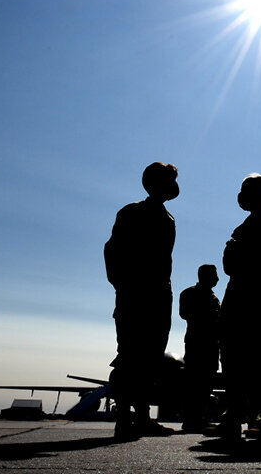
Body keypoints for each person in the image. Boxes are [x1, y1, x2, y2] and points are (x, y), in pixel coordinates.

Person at [104, 162, 179, 440]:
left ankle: (143, 417)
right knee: (129, 354)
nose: (172, 186)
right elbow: (112, 250)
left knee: (150, 356)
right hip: (135, 294)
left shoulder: (168, 218)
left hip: (160, 294)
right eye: (168, 180)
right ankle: (124, 416)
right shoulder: (132, 212)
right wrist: (123, 285)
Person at [214, 174, 261, 442]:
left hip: (258, 296)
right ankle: (235, 412)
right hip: (237, 296)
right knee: (233, 357)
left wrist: (242, 253)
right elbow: (228, 266)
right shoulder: (242, 228)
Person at [179, 264, 221, 432]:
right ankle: (191, 419)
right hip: (197, 342)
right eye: (214, 275)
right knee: (194, 381)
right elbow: (185, 313)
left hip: (212, 344)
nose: (217, 279)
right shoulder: (190, 293)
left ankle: (201, 417)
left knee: (207, 382)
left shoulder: (213, 297)